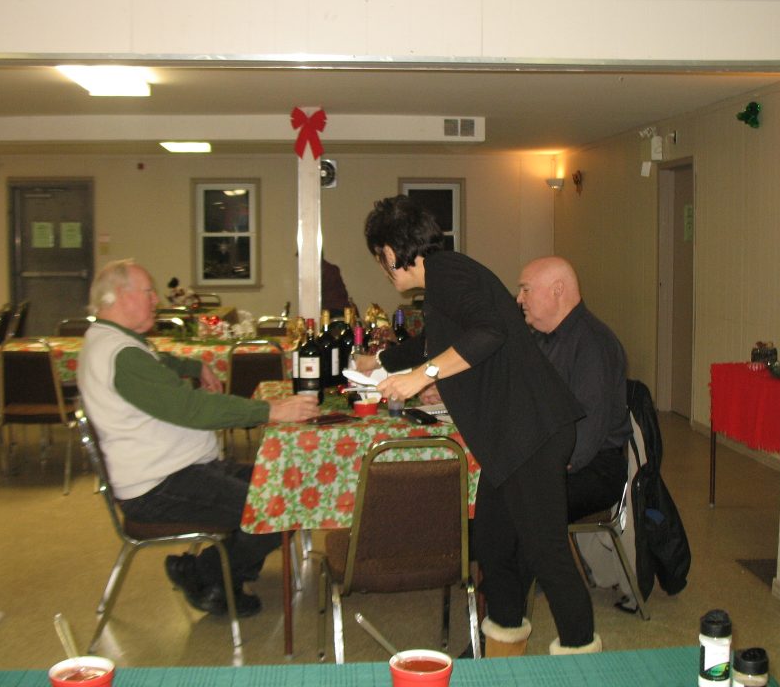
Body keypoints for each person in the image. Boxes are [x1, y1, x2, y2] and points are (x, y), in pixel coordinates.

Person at [357, 195, 603, 657]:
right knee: (493, 544)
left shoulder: (449, 272)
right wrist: (381, 361)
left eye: (380, 258)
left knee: (545, 552)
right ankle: (501, 644)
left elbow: (490, 331)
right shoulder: (445, 280)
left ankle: (580, 656)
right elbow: (434, 342)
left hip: (533, 432)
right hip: (511, 437)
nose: (383, 268)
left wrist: (421, 376)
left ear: (391, 252)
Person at [77, 259, 318, 617]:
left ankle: (216, 570)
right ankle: (208, 575)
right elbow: (193, 409)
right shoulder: (121, 355)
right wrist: (270, 410)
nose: (156, 300)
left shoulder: (113, 341)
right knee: (276, 505)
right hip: (158, 486)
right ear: (119, 296)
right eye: (148, 292)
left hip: (179, 470)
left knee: (288, 486)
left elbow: (157, 360)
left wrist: (195, 365)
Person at [516, 256, 632, 522]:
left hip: (593, 468)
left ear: (557, 290)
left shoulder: (593, 344)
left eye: (526, 289)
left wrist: (535, 467)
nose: (519, 299)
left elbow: (585, 436)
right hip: (553, 454)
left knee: (510, 505)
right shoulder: (543, 338)